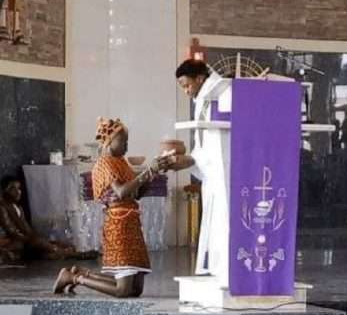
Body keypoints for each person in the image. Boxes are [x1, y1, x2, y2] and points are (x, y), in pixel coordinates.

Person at [52, 118, 169, 297]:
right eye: (123, 142)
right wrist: (147, 172)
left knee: (135, 290)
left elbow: (135, 194)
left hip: (130, 223)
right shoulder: (105, 163)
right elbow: (121, 192)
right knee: (122, 290)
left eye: (127, 142)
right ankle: (73, 278)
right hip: (118, 225)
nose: (126, 147)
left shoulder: (121, 162)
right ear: (108, 141)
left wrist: (153, 173)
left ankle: (82, 274)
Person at [174, 59, 231, 284]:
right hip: (213, 175)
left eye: (187, 85)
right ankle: (218, 269)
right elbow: (205, 144)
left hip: (226, 172)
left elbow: (221, 141)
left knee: (224, 220)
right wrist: (190, 159)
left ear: (200, 78)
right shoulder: (204, 98)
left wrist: (190, 160)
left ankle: (227, 270)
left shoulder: (224, 92)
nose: (187, 91)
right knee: (215, 221)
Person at [0, 175, 97, 262]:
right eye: (13, 189)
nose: (18, 192)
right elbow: (11, 231)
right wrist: (31, 239)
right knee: (41, 243)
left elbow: (26, 228)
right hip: (14, 241)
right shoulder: (3, 207)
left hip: (26, 240)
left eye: (19, 188)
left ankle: (65, 253)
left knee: (56, 246)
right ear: (5, 191)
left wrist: (38, 238)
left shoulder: (19, 208)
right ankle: (76, 255)